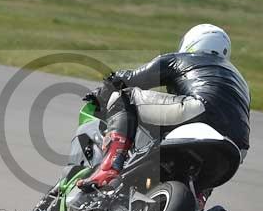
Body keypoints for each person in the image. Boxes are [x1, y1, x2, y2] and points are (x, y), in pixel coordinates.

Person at [77, 23, 251, 192]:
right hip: (238, 144)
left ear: (191, 42)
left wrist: (101, 93)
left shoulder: (182, 58)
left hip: (198, 110)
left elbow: (131, 78)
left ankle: (110, 167)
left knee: (123, 97)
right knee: (204, 171)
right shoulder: (241, 81)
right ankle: (197, 203)